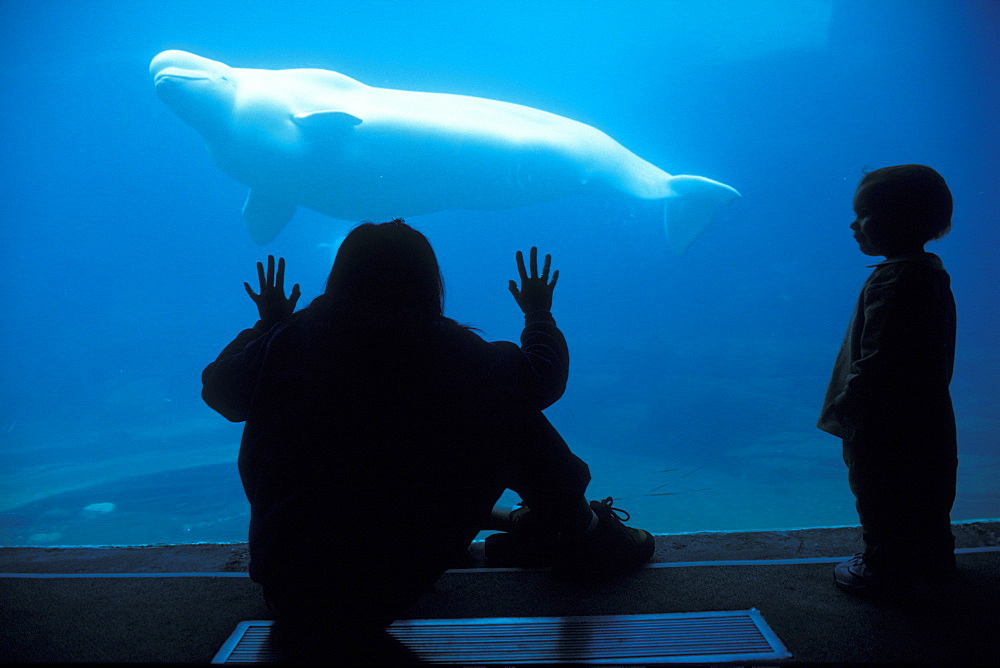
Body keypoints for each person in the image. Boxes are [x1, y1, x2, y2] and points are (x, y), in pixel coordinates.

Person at [202, 220, 654, 661]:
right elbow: (543, 380)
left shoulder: (289, 340)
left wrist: (268, 326)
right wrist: (538, 314)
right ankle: (584, 534)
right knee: (508, 411)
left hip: (288, 586)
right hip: (383, 588)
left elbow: (220, 392)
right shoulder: (451, 351)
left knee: (371, 452)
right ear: (426, 282)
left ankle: (523, 526)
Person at [818, 165, 958, 597]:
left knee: (880, 491)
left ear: (902, 219)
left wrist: (850, 402)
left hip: (884, 420)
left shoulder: (892, 280)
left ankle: (883, 567)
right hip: (930, 415)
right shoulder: (930, 272)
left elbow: (879, 356)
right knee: (929, 491)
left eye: (865, 214)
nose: (853, 224)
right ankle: (934, 559)